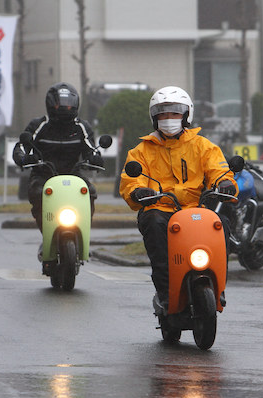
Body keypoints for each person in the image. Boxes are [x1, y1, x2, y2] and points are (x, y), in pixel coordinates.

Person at [119, 86, 238, 316]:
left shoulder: (203, 146)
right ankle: (165, 293)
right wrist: (137, 192)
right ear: (154, 118)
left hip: (197, 209)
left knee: (221, 223)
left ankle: (218, 286)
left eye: (174, 113)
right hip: (159, 208)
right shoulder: (140, 151)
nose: (169, 119)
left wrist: (224, 183)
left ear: (186, 115)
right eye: (163, 114)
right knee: (152, 222)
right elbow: (130, 180)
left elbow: (220, 171)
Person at [12, 82, 104, 231]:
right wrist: (24, 158)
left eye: (69, 104)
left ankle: (83, 230)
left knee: (90, 192)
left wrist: (95, 158)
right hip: (43, 175)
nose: (65, 108)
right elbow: (21, 147)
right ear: (51, 104)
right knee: (38, 194)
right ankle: (47, 232)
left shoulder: (81, 127)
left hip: (73, 175)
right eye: (61, 104)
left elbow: (91, 148)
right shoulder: (38, 125)